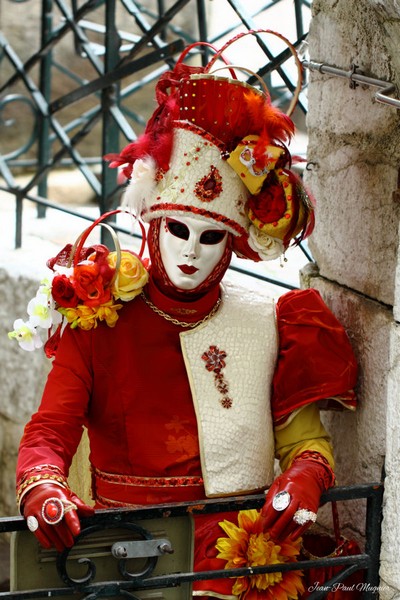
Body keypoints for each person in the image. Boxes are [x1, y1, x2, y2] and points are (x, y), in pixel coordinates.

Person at [11, 34, 357, 599]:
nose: (191, 252)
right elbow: (49, 435)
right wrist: (43, 486)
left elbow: (306, 445)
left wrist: (305, 478)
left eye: (211, 235)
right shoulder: (100, 319)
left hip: (247, 567)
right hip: (132, 562)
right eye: (178, 230)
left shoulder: (272, 320)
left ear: (234, 243)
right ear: (151, 222)